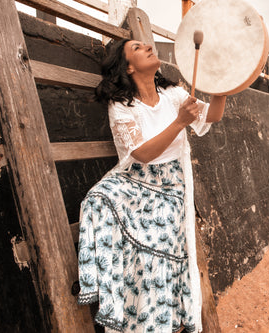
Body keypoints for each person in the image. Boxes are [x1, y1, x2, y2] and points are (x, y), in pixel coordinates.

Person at [77, 38, 226, 333]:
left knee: (157, 243)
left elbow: (213, 115)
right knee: (97, 199)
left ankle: (157, 321)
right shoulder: (121, 105)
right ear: (128, 66)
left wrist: (224, 82)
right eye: (137, 47)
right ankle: (111, 295)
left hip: (171, 186)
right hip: (135, 181)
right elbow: (142, 154)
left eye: (147, 44)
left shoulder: (174, 94)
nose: (147, 46)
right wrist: (179, 123)